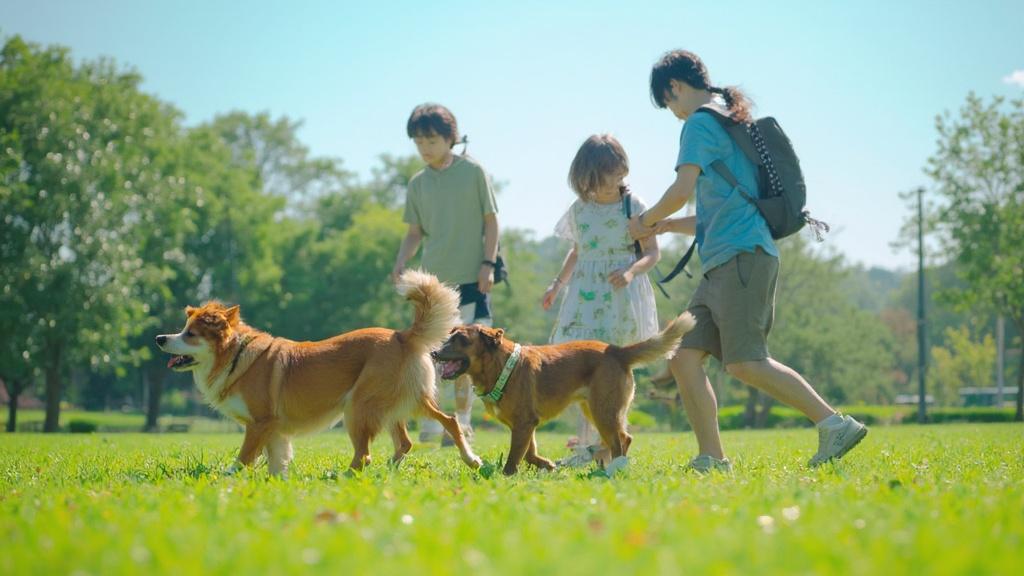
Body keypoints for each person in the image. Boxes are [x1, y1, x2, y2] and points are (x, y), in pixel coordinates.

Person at [628, 50, 867, 472]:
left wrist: (643, 221)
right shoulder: (727, 121)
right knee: (683, 356)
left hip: (742, 257)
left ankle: (834, 424)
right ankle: (712, 457)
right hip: (726, 260)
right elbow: (720, 210)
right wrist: (666, 227)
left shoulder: (700, 123)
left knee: (745, 362)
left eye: (667, 104)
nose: (673, 114)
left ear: (675, 87)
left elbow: (681, 190)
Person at [542, 134, 660, 468]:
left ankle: (609, 444)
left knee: (613, 368)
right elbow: (578, 251)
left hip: (620, 297)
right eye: (607, 178)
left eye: (619, 175)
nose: (614, 184)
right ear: (587, 177)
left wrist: (631, 271)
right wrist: (557, 285)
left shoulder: (633, 206)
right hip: (584, 297)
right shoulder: (580, 210)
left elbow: (652, 253)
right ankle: (588, 446)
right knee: (580, 370)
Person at [392, 103, 499, 444]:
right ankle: (432, 419)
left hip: (472, 279)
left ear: (449, 138)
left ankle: (461, 424)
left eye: (432, 141)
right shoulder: (418, 183)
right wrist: (400, 263)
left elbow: (491, 221)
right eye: (419, 142)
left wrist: (488, 264)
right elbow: (414, 232)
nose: (425, 148)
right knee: (430, 353)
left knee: (466, 356)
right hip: (433, 286)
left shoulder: (474, 172)